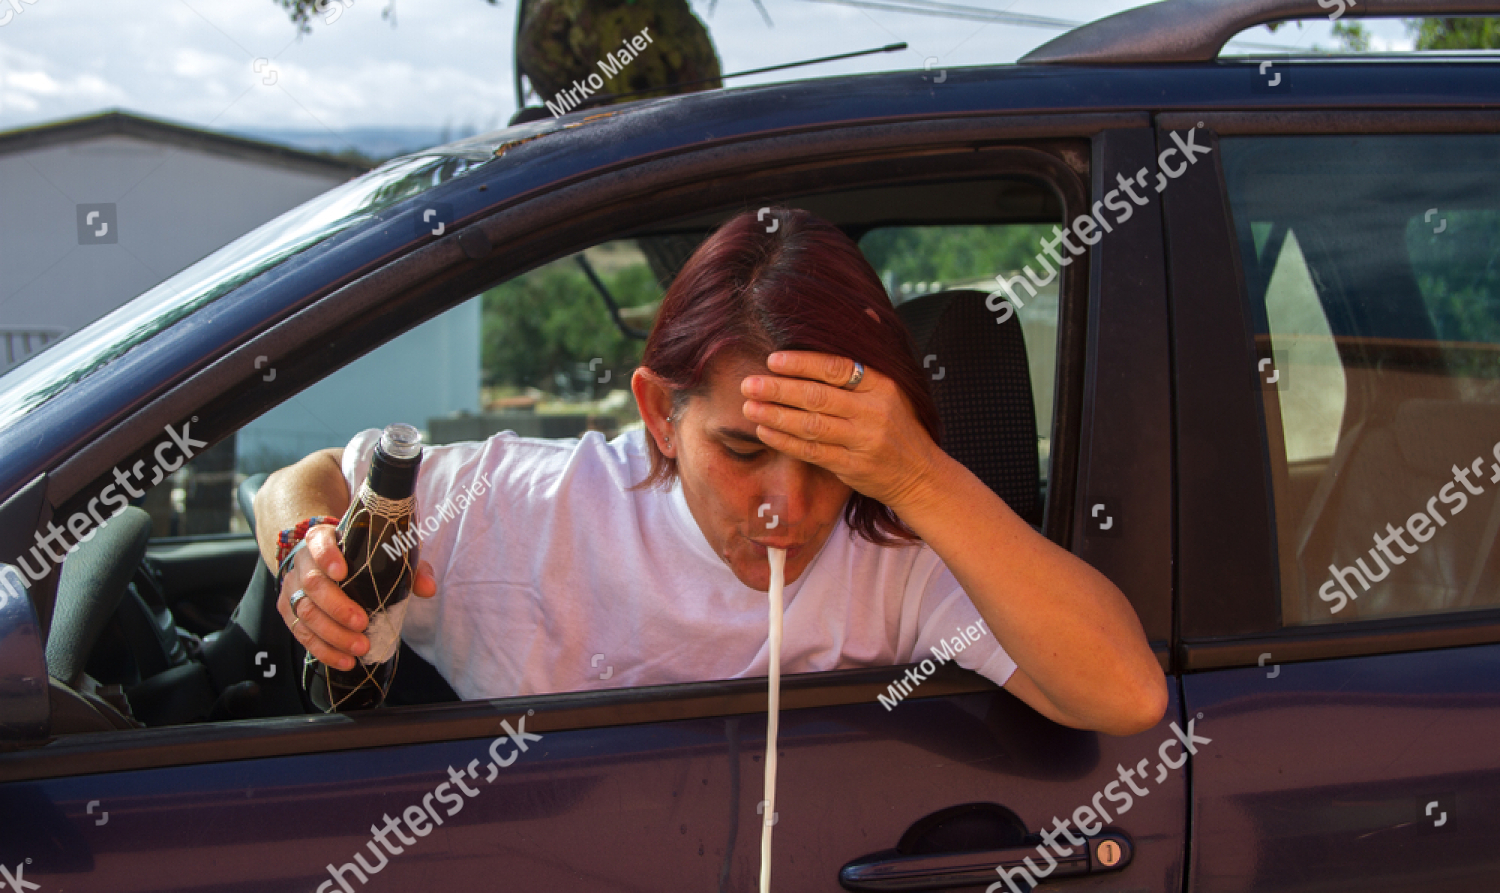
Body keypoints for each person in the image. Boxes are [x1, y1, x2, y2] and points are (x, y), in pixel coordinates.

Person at [255, 208, 1166, 736]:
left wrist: (920, 479)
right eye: (741, 450)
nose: (787, 506)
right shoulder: (537, 506)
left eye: (831, 458)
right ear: (659, 413)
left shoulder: (895, 558)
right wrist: (306, 552)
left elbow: (1126, 695)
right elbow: (317, 476)